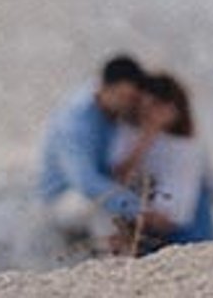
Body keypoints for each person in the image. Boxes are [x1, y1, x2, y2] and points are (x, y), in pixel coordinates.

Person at [37, 53, 149, 248]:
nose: (126, 103)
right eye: (121, 96)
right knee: (102, 203)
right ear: (103, 88)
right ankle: (114, 261)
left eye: (131, 98)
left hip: (107, 187)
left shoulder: (117, 114)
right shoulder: (75, 121)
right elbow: (85, 180)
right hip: (65, 197)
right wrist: (137, 209)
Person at [107, 70, 213, 253]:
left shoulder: (189, 144)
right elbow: (119, 177)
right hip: (147, 221)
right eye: (149, 106)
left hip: (186, 220)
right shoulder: (128, 135)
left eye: (159, 106)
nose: (154, 113)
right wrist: (147, 136)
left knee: (201, 194)